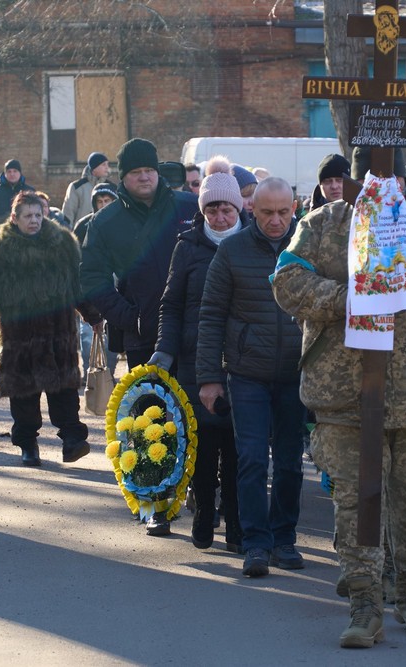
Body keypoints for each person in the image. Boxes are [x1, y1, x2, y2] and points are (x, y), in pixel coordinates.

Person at [272, 148, 406, 647]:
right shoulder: (325, 223)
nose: (382, 186)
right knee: (355, 505)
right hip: (345, 391)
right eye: (370, 178)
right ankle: (363, 605)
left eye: (390, 176)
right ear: (355, 182)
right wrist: (345, 297)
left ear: (404, 178)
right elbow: (286, 281)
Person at [196, 177, 305, 578]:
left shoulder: (308, 247)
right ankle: (256, 543)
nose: (275, 221)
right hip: (247, 375)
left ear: (294, 208)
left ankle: (285, 539)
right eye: (266, 213)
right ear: (251, 210)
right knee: (253, 459)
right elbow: (210, 316)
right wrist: (209, 377)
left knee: (291, 463)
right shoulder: (232, 250)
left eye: (283, 212)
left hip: (298, 373)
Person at [150, 169, 247, 552]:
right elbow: (171, 304)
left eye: (226, 209)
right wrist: (165, 348)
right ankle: (205, 510)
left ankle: (237, 520)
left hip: (243, 358)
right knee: (203, 443)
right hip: (196, 357)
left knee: (240, 446)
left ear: (238, 208)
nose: (220, 218)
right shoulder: (187, 246)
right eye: (212, 211)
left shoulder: (252, 241)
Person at [0, 192, 99, 467]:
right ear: (14, 218)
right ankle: (28, 444)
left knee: (64, 390)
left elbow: (78, 285)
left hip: (57, 333)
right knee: (24, 394)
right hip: (18, 335)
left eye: (38, 215)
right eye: (28, 215)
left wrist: (93, 315)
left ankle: (72, 440)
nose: (34, 220)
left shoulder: (63, 243)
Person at [80, 138, 199, 382]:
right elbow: (92, 277)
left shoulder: (190, 208)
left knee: (198, 415)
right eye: (136, 172)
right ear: (123, 176)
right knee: (150, 414)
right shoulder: (104, 222)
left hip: (196, 334)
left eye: (149, 170)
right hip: (143, 338)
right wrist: (129, 318)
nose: (144, 177)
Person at [72, 182, 119, 378]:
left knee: (112, 338)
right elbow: (76, 259)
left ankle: (107, 375)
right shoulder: (84, 225)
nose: (103, 204)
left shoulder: (122, 223)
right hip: (90, 286)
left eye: (107, 200)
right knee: (87, 337)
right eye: (99, 201)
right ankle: (89, 373)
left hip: (116, 287)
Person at [0, 158, 34, 236]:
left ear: (20, 173)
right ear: (5, 174)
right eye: (9, 171)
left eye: (15, 171)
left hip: (23, 235)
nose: (12, 174)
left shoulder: (29, 191)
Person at [62, 152, 112, 224]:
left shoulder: (111, 187)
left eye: (108, 164)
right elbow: (68, 214)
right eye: (103, 164)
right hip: (81, 233)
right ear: (94, 168)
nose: (107, 167)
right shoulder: (76, 187)